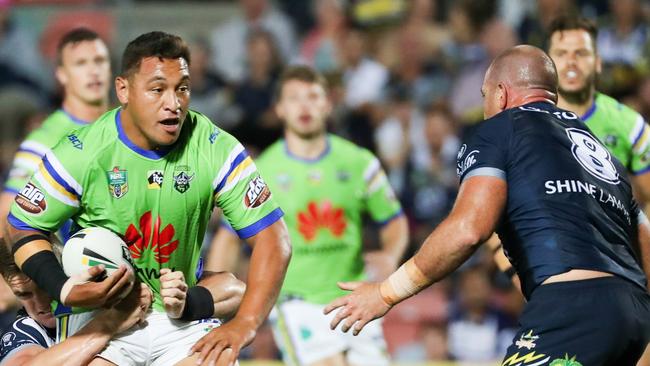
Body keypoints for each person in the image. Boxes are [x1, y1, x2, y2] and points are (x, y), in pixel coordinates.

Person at [324, 45, 650, 365]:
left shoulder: (502, 128)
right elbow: (644, 240)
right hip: (634, 315)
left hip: (573, 310)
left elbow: (468, 230)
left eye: (484, 96)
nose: (484, 108)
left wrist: (385, 293)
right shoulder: (601, 154)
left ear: (501, 93)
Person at [4, 31, 291, 366]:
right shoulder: (81, 152)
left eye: (182, 88)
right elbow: (21, 227)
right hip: (104, 316)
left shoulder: (215, 147)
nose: (174, 103)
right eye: (157, 89)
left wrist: (245, 323)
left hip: (178, 318)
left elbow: (274, 239)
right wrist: (65, 289)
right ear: (124, 90)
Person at [208, 65, 409, 366]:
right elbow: (228, 237)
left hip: (355, 297)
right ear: (279, 109)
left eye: (313, 96)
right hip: (295, 302)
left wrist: (391, 255)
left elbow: (394, 221)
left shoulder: (359, 162)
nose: (304, 106)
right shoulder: (262, 170)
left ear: (328, 104)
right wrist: (214, 308)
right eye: (294, 98)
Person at [0, 27, 111, 230]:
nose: (93, 71)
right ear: (61, 74)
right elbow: (6, 215)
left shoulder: (128, 124)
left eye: (99, 61)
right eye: (81, 63)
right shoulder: (45, 139)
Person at [0, 238, 152, 366]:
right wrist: (108, 323)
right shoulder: (25, 329)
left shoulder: (104, 288)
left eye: (45, 287)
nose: (41, 304)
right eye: (25, 295)